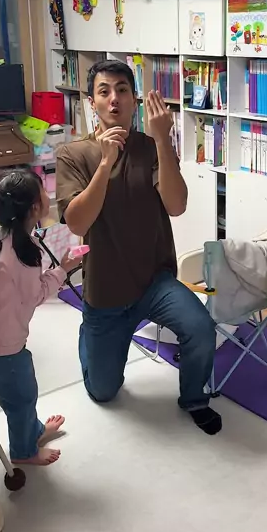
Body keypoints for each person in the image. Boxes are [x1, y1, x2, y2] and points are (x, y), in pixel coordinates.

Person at [56, 59, 221, 436]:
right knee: (103, 392)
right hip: (106, 291)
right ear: (92, 102)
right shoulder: (73, 154)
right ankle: (90, 336)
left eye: (122, 90)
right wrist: (105, 163)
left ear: (135, 100)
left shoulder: (150, 147)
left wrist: (163, 140)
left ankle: (194, 398)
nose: (114, 99)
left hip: (154, 281)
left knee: (201, 327)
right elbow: (77, 223)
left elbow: (176, 205)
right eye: (104, 91)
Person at [0, 169, 81, 466]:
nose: (48, 196)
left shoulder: (7, 238)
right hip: (4, 350)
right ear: (35, 207)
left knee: (22, 396)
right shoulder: (23, 255)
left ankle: (34, 432)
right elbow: (36, 295)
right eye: (44, 192)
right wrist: (64, 268)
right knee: (21, 401)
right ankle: (24, 453)